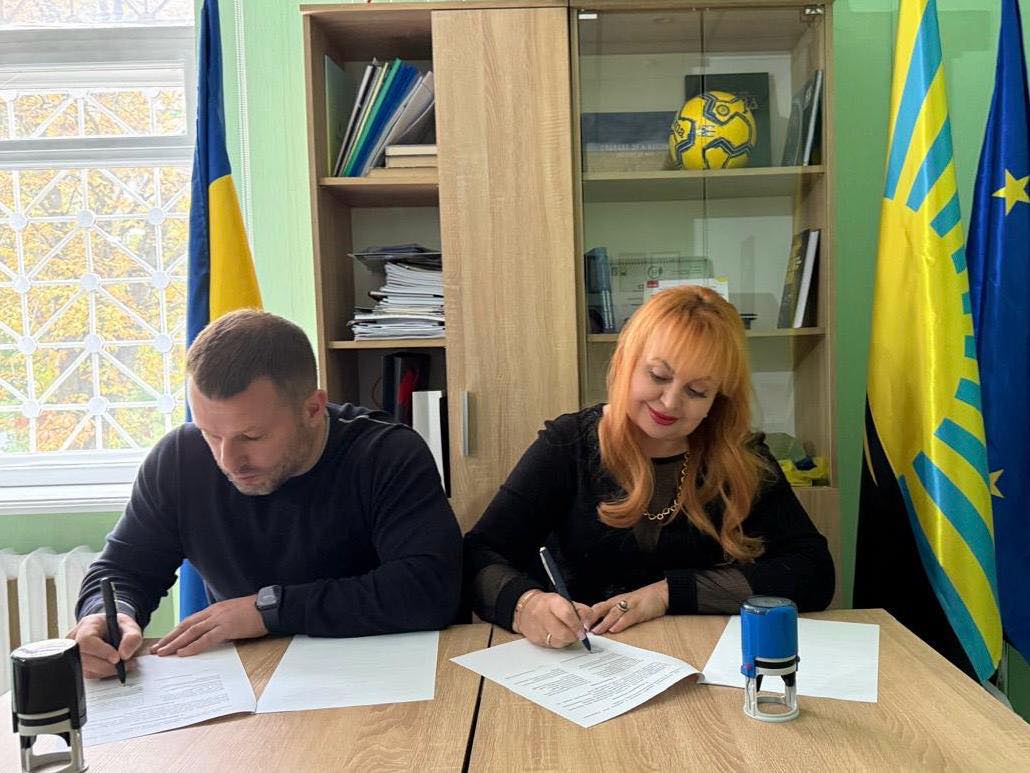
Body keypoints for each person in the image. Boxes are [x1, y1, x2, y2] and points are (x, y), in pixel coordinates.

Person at [70, 310, 462, 679]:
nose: (228, 460)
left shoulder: (386, 454)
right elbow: (123, 570)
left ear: (313, 409)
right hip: (250, 681)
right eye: (211, 434)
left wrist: (270, 610)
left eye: (252, 436)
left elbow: (428, 590)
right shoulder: (179, 458)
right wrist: (104, 614)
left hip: (383, 673)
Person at [464, 285, 834, 649]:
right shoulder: (569, 444)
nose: (670, 402)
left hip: (701, 657)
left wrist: (667, 593)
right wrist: (526, 605)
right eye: (658, 375)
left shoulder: (741, 456)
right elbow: (479, 555)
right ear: (626, 361)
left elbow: (813, 572)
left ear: (718, 399)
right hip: (582, 661)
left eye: (697, 391)